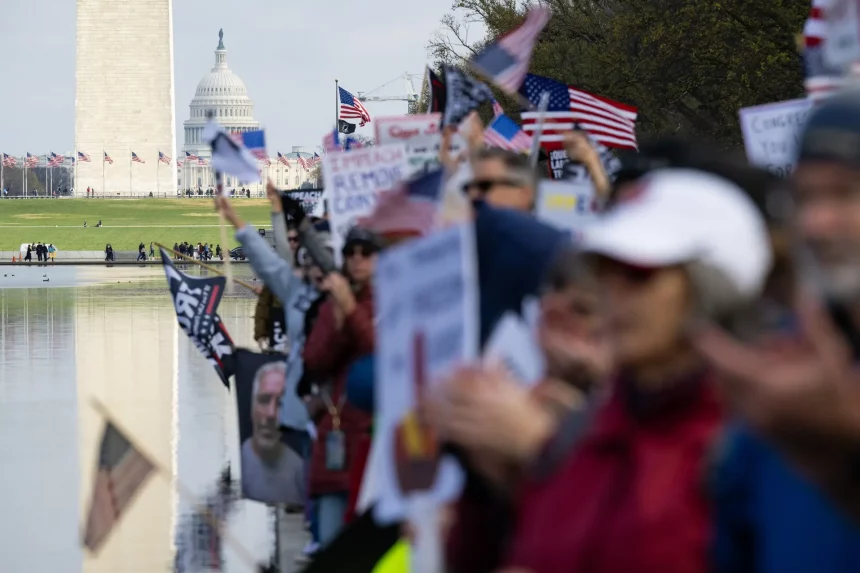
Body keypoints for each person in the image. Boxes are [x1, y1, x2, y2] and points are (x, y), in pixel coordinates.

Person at [437, 168, 773, 573]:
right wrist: (487, 473)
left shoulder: (759, 442)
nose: (613, 297)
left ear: (710, 289)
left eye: (637, 275)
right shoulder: (585, 425)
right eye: (604, 274)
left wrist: (533, 450)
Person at [706, 92, 860, 572]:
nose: (815, 223)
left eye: (843, 193)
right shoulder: (782, 370)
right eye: (805, 198)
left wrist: (845, 454)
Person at [302, 226, 379, 547]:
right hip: (338, 434)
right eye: (350, 253)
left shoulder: (390, 300)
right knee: (333, 547)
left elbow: (380, 352)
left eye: (366, 253)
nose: (357, 260)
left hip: (375, 440)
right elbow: (314, 362)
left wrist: (351, 310)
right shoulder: (330, 304)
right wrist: (336, 319)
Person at [240, 361, 305, 505]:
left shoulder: (300, 472)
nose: (271, 414)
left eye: (281, 403)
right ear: (252, 407)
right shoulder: (233, 465)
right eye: (264, 401)